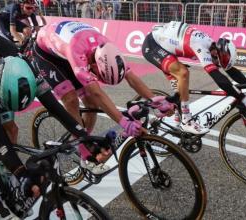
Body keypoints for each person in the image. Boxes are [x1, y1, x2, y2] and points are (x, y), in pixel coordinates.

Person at [0, 18, 99, 219]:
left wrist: (84, 136)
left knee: (11, 128)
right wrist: (21, 172)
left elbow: (53, 106)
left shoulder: (23, 60)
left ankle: (5, 175)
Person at [29, 20, 175, 173]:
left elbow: (132, 78)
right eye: (99, 75)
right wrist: (124, 123)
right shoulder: (77, 52)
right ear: (93, 66)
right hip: (46, 53)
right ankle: (84, 151)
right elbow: (97, 92)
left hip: (74, 45)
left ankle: (85, 139)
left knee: (92, 104)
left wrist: (156, 102)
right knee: (71, 99)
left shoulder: (110, 50)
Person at [142, 21, 246, 134]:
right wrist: (243, 97)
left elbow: (229, 71)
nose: (218, 66)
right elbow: (218, 78)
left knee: (179, 94)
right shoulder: (201, 46)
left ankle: (173, 120)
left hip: (166, 45)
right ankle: (186, 120)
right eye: (218, 63)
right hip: (153, 45)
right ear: (216, 54)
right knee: (183, 73)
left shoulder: (213, 47)